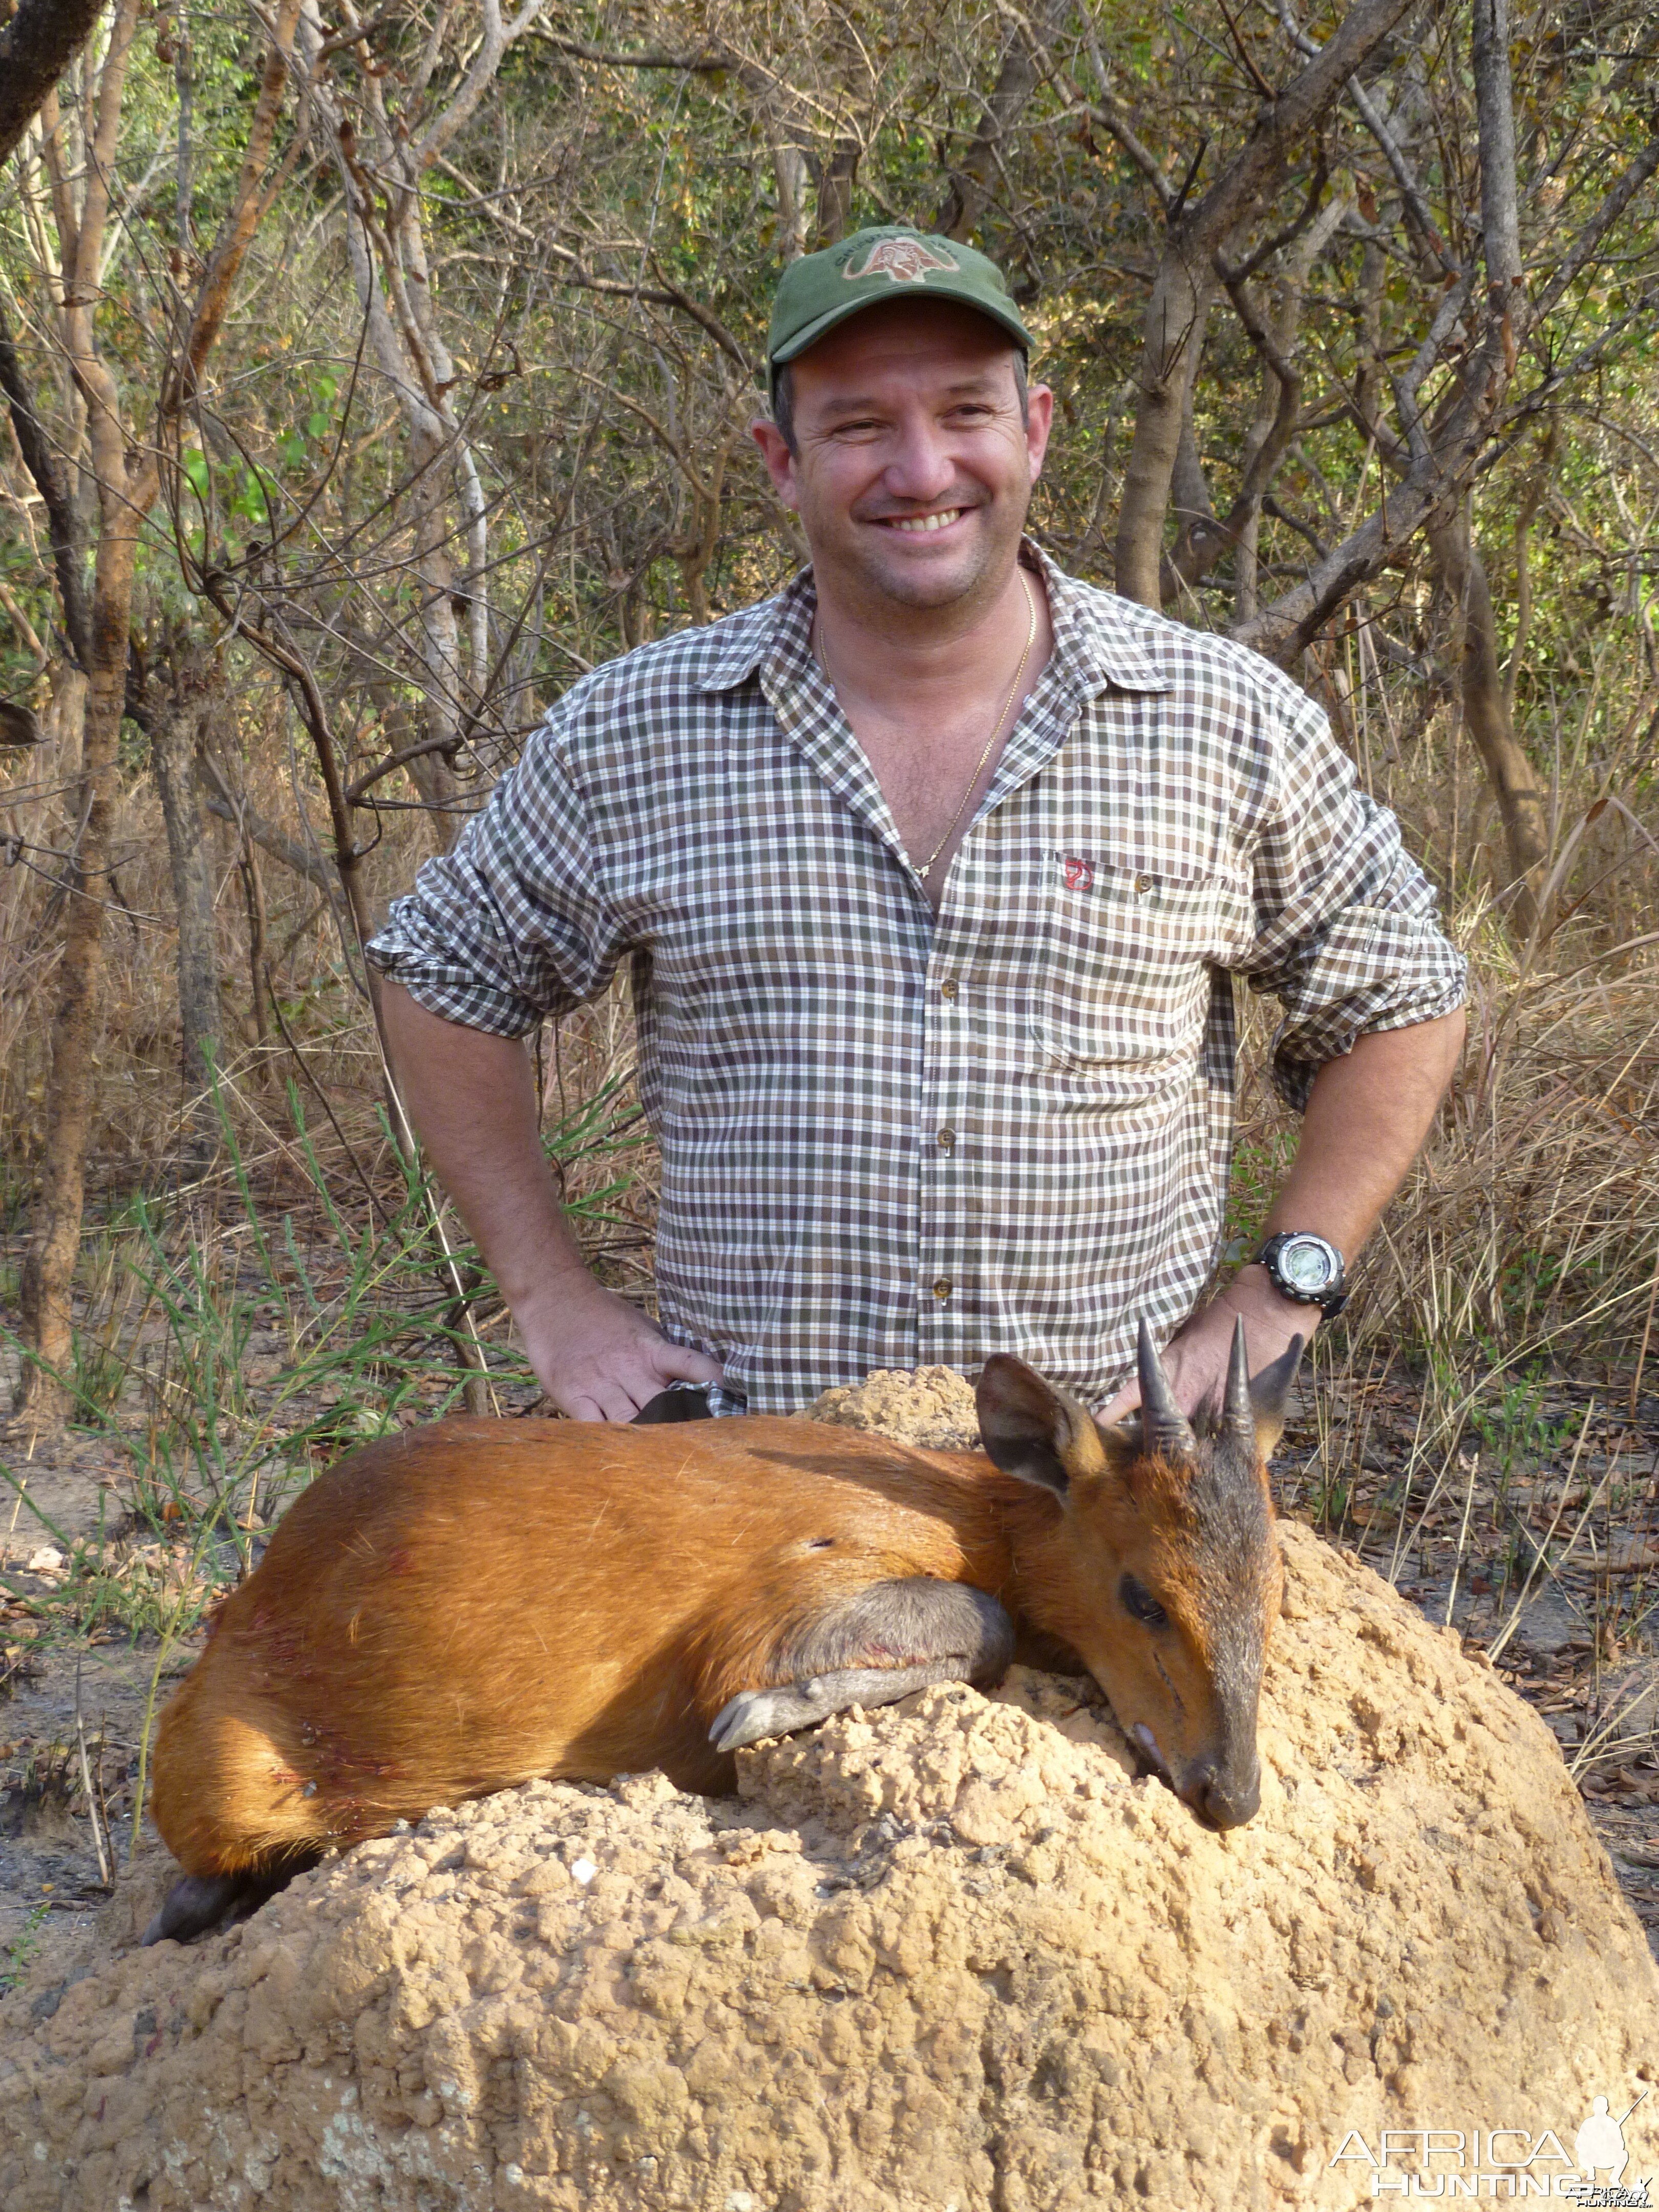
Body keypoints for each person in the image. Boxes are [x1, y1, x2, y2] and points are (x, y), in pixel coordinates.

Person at [367, 226, 1466, 1425]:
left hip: (1103, 1506)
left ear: (1034, 429)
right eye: (858, 426)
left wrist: (1285, 1287)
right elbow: (438, 977)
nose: (923, 468)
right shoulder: (637, 731)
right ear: (781, 461)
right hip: (754, 1501)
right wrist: (550, 1298)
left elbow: (1404, 995)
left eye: (964, 412)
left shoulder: (1222, 721)